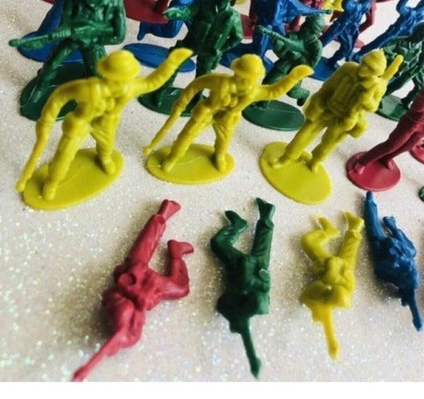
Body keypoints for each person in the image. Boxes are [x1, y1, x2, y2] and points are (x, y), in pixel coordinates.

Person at [16, 47, 192, 201]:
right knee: (64, 154)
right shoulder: (88, 88)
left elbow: (153, 82)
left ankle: (104, 158)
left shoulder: (129, 88)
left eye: (125, 77)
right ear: (106, 74)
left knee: (106, 147)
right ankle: (52, 182)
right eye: (117, 78)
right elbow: (59, 96)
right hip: (80, 123)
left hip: (106, 124)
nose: (121, 81)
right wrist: (47, 119)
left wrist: (171, 63)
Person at [72, 200, 193, 381]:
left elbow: (112, 341)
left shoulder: (122, 325)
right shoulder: (126, 332)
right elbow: (113, 341)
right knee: (180, 287)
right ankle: (176, 252)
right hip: (149, 285)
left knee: (145, 244)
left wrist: (86, 369)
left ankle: (164, 215)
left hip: (134, 275)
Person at [144, 55, 312, 173]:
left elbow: (274, 92)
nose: (247, 81)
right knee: (186, 136)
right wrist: (182, 102)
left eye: (251, 78)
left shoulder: (254, 91)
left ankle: (219, 156)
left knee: (223, 142)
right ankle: (173, 158)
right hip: (207, 111)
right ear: (236, 73)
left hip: (228, 118)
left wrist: (293, 78)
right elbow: (196, 84)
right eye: (243, 77)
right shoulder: (218, 81)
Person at [268, 50, 403, 173]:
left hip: (345, 119)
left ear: (376, 72)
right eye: (365, 64)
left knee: (328, 144)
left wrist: (367, 100)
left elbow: (373, 107)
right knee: (304, 134)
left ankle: (315, 161)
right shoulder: (349, 68)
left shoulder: (377, 86)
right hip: (327, 108)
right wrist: (319, 101)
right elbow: (329, 85)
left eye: (370, 68)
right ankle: (286, 158)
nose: (364, 69)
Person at [10, 0, 127, 104]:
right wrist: (65, 31)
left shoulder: (115, 3)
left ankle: (93, 95)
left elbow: (119, 36)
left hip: (93, 42)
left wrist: (93, 38)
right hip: (71, 38)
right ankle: (41, 86)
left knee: (96, 72)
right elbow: (65, 22)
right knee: (52, 62)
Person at [210, 197, 275, 378]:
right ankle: (266, 215)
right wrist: (255, 277)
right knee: (263, 244)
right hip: (255, 266)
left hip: (238, 264)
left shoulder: (241, 312)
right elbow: (263, 282)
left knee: (218, 243)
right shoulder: (262, 288)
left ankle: (238, 226)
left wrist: (253, 362)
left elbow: (247, 340)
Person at [300, 212, 364, 359]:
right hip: (340, 266)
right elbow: (334, 273)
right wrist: (331, 270)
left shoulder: (325, 300)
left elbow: (327, 323)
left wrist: (332, 343)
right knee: (349, 247)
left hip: (331, 264)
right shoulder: (347, 285)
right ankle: (351, 227)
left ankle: (340, 229)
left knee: (309, 242)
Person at [363, 191, 422, 331]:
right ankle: (393, 226)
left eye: (409, 270)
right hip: (399, 246)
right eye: (412, 269)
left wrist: (417, 318)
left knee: (373, 226)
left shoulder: (392, 268)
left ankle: (370, 203)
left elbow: (379, 268)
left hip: (384, 245)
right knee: (412, 251)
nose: (411, 267)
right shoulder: (409, 262)